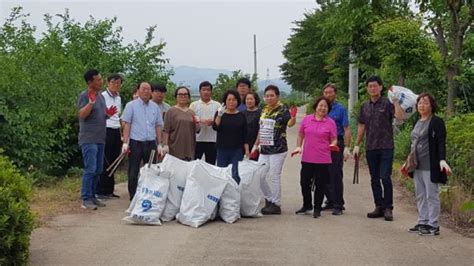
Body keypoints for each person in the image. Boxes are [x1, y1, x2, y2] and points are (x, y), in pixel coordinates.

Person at [353, 76, 404, 221]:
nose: (372, 88)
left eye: (375, 86)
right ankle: (378, 206)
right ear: (367, 88)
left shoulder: (387, 104)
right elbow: (361, 126)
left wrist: (395, 102)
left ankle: (388, 207)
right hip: (370, 147)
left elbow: (400, 118)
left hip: (386, 146)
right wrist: (357, 144)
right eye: (370, 86)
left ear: (381, 87)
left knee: (385, 177)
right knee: (374, 178)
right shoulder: (365, 106)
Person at [401, 93, 451, 236]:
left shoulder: (437, 122)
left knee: (431, 195)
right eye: (420, 103)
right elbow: (413, 144)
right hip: (417, 165)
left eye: (425, 103)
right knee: (420, 194)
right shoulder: (417, 121)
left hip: (431, 164)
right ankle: (423, 221)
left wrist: (442, 160)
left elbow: (441, 142)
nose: (422, 105)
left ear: (432, 105)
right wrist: (407, 162)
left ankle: (433, 224)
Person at [77, 69, 117, 210]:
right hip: (89, 138)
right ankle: (86, 198)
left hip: (100, 138)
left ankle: (93, 196)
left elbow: (100, 116)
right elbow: (82, 115)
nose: (101, 82)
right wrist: (90, 104)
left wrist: (108, 114)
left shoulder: (100, 96)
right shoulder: (84, 95)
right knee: (90, 169)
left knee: (99, 169)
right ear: (90, 82)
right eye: (98, 80)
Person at [292, 97, 338, 218]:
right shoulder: (307, 119)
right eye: (320, 105)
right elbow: (301, 134)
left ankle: (317, 207)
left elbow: (334, 138)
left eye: (325, 106)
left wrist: (333, 144)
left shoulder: (330, 122)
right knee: (304, 182)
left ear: (328, 109)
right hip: (307, 157)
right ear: (316, 106)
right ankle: (307, 205)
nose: (323, 108)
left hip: (323, 159)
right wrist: (298, 146)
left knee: (320, 184)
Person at [255, 85, 296, 215]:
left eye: (272, 95)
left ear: (277, 96)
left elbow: (289, 123)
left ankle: (276, 204)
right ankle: (269, 199)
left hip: (278, 148)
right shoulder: (263, 110)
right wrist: (256, 145)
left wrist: (293, 118)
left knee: (274, 176)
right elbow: (260, 129)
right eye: (267, 95)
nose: (269, 98)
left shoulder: (283, 110)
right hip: (265, 148)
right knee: (259, 175)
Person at [121, 81, 163, 200]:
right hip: (135, 143)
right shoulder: (131, 105)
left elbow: (158, 126)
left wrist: (160, 144)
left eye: (148, 89)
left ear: (151, 92)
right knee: (133, 171)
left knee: (151, 171)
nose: (146, 91)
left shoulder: (155, 107)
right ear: (138, 90)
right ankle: (133, 196)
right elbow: (127, 124)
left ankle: (148, 196)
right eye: (143, 89)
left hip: (151, 143)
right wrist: (125, 142)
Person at [321, 83, 352, 215]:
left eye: (330, 92)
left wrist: (347, 147)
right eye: (326, 92)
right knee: (323, 174)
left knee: (335, 174)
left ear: (335, 94)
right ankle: (330, 200)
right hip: (322, 143)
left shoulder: (340, 109)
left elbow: (346, 129)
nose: (328, 94)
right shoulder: (321, 108)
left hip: (336, 143)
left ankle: (339, 204)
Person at [213, 90, 249, 184]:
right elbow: (215, 127)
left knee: (235, 173)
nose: (231, 102)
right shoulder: (220, 113)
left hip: (237, 150)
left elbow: (245, 133)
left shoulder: (241, 115)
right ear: (225, 101)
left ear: (238, 101)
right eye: (229, 100)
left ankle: (234, 196)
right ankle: (222, 195)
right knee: (222, 173)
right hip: (222, 149)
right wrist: (220, 115)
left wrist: (247, 150)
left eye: (234, 100)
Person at [97, 74, 123, 199]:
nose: (116, 85)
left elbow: (118, 115)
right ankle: (101, 190)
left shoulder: (118, 98)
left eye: (118, 83)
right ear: (108, 83)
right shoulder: (102, 96)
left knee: (114, 160)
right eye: (113, 82)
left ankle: (109, 189)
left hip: (116, 129)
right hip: (105, 128)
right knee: (105, 160)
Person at [162, 86, 200, 161]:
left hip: (189, 148)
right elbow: (166, 130)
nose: (183, 96)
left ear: (188, 97)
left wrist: (197, 123)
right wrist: (165, 145)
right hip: (175, 147)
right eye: (180, 94)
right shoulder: (171, 111)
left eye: (185, 95)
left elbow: (197, 130)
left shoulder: (191, 112)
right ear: (176, 97)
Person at [190, 81, 220, 165]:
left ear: (211, 92)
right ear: (199, 91)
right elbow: (190, 119)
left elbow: (221, 119)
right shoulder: (194, 105)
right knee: (195, 164)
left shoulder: (217, 105)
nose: (206, 92)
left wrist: (213, 121)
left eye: (208, 90)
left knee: (211, 165)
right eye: (203, 90)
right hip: (197, 139)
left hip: (212, 139)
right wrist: (200, 121)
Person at [242, 91, 261, 159]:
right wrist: (246, 149)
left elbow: (261, 130)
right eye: (247, 99)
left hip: (258, 145)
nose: (249, 101)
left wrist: (256, 145)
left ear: (255, 100)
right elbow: (242, 132)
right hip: (244, 145)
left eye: (251, 99)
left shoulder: (261, 113)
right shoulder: (242, 114)